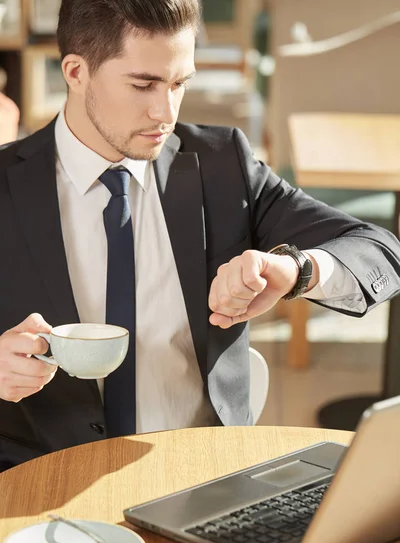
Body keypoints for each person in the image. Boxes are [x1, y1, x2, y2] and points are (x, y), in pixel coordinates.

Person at [0, 0, 399, 470]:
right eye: (143, 84)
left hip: (202, 474)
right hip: (40, 482)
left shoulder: (222, 164)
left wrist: (296, 269)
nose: (165, 111)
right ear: (75, 71)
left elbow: (379, 249)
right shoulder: (6, 184)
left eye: (178, 83)